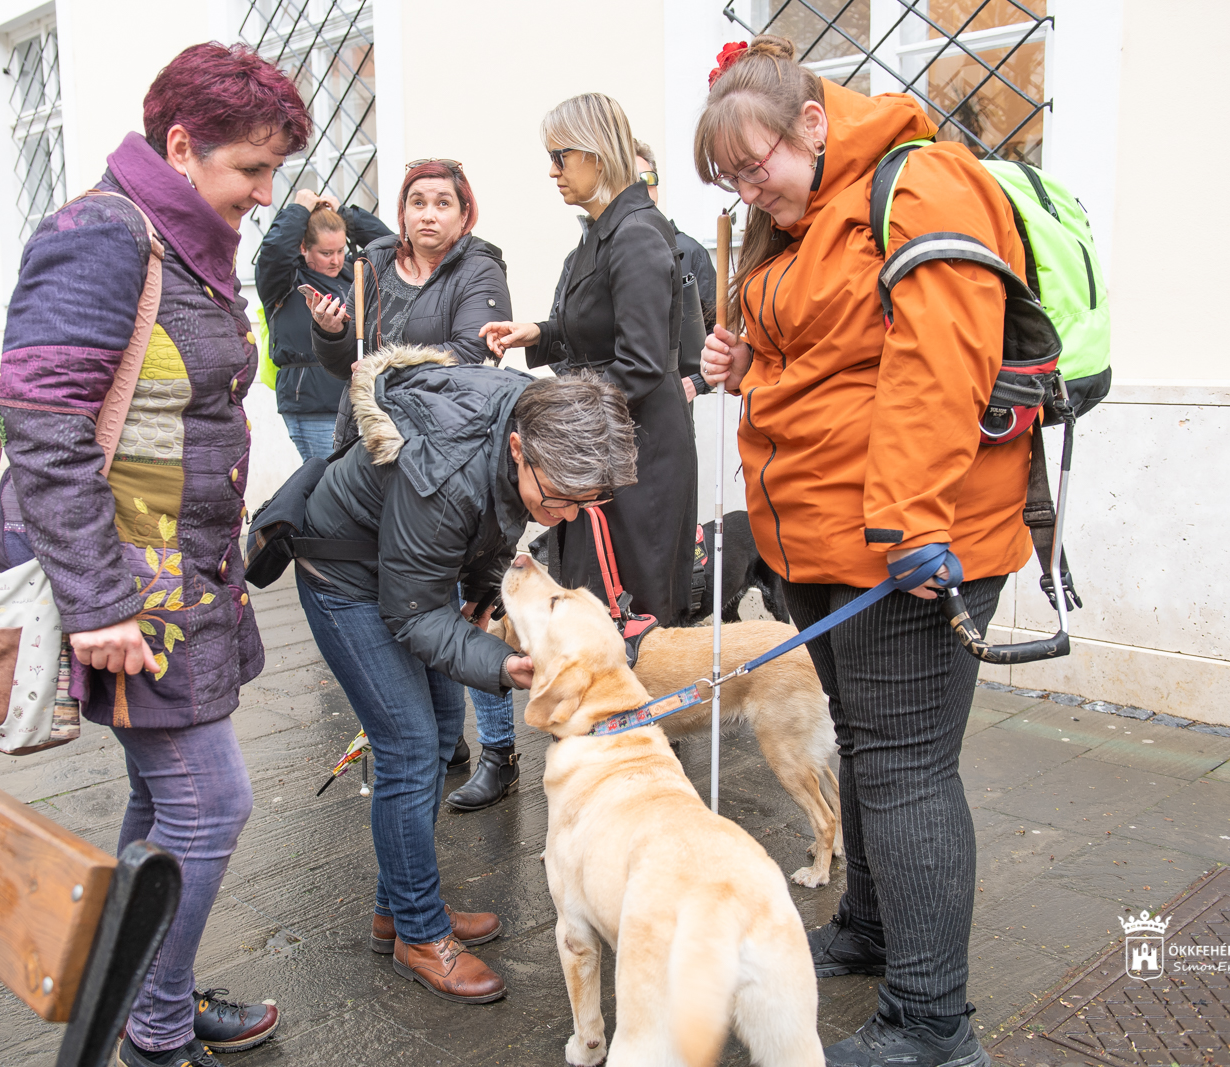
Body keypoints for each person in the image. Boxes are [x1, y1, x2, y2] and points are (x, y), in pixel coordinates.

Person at [696, 36, 1034, 1067]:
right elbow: (830, 355)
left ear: (811, 122)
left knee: (904, 771)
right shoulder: (793, 221)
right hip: (821, 538)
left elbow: (939, 367)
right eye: (732, 180)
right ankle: (873, 930)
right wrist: (743, 356)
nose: (754, 191)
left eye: (760, 166)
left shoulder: (921, 182)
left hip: (903, 539)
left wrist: (906, 525)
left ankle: (933, 1024)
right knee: (867, 744)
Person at [0, 43, 306, 1067]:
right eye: (249, 170)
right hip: (130, 592)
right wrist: (95, 603)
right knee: (211, 801)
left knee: (165, 799)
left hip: (183, 577)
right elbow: (42, 427)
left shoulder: (183, 240)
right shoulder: (99, 235)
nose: (264, 195)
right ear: (180, 144)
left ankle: (138, 991)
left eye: (271, 172)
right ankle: (154, 1029)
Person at [295, 350, 637, 1004]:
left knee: (445, 725)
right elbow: (415, 613)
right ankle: (419, 935)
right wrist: (506, 664)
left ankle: (399, 906)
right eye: (559, 498)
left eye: (582, 502)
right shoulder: (446, 473)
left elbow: (502, 515)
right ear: (518, 448)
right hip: (345, 575)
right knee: (410, 746)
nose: (564, 515)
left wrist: (485, 591)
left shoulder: (529, 419)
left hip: (406, 565)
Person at [305, 160, 521, 811]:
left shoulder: (480, 270)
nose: (428, 214)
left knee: (465, 603)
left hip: (445, 465)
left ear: (464, 213)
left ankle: (500, 750)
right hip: (374, 455)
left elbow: (467, 364)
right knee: (409, 606)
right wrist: (333, 331)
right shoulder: (376, 264)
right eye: (417, 202)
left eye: (442, 203)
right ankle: (440, 738)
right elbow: (351, 362)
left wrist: (388, 378)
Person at [481, 93, 697, 631]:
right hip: (609, 446)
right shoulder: (602, 233)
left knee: (630, 613)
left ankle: (632, 716)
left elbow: (642, 366)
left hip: (640, 456)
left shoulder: (635, 235)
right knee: (593, 603)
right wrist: (541, 332)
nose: (552, 171)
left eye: (561, 156)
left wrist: (555, 416)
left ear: (596, 154)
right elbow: (596, 334)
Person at [254, 189, 393, 460]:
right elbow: (273, 253)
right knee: (325, 486)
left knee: (353, 492)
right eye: (326, 252)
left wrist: (346, 216)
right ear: (304, 248)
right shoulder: (284, 282)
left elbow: (390, 248)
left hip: (356, 399)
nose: (336, 260)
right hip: (312, 405)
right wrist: (298, 211)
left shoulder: (351, 274)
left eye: (341, 250)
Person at [633, 138, 717, 402]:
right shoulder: (587, 255)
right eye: (631, 179)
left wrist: (696, 382)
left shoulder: (690, 252)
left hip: (672, 416)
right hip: (610, 419)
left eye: (647, 178)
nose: (641, 187)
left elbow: (721, 335)